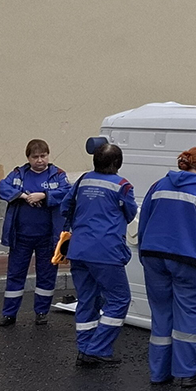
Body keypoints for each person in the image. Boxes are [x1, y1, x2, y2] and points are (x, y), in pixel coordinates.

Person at [138, 147, 196, 387]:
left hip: (153, 256)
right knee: (189, 316)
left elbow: (144, 220)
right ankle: (187, 373)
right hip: (190, 261)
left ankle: (159, 373)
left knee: (161, 315)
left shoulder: (158, 186)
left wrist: (145, 254)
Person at [61, 143, 137, 367]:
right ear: (117, 164)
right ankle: (98, 349)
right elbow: (130, 213)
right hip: (106, 251)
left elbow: (66, 207)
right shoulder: (122, 186)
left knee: (87, 300)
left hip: (79, 249)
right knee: (119, 299)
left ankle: (84, 349)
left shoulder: (83, 180)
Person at [0, 139, 71, 327]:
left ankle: (41, 313)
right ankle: (9, 314)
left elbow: (68, 192)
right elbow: (1, 187)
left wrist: (44, 196)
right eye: (35, 157)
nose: (40, 160)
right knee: (15, 274)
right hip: (21, 236)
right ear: (28, 158)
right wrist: (21, 196)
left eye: (43, 156)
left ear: (48, 155)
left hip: (48, 237)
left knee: (46, 275)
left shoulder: (58, 175)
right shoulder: (18, 174)